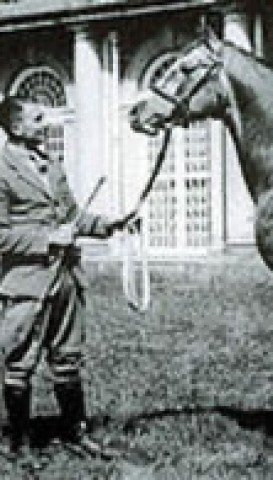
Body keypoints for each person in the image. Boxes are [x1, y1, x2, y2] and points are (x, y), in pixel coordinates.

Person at [0, 96, 128, 458]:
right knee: (19, 363)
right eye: (38, 118)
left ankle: (76, 434)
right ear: (16, 126)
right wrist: (47, 239)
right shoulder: (1, 169)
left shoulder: (51, 164)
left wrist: (107, 225)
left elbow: (72, 215)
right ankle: (19, 444)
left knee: (68, 359)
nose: (46, 123)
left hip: (66, 279)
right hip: (26, 284)